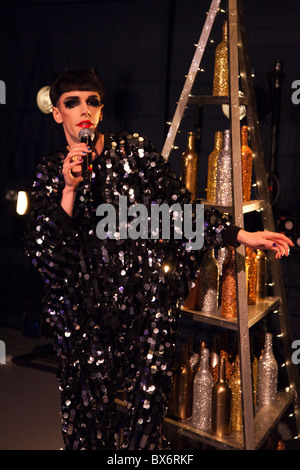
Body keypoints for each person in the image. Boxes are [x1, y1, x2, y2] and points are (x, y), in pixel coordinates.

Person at [25, 69, 293, 450]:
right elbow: (48, 256)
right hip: (85, 327)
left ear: (101, 109)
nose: (84, 110)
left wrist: (240, 234)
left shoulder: (134, 150)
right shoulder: (52, 172)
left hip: (144, 319)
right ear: (57, 113)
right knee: (87, 430)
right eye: (72, 103)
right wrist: (69, 190)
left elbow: (178, 211)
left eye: (92, 101)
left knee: (144, 431)